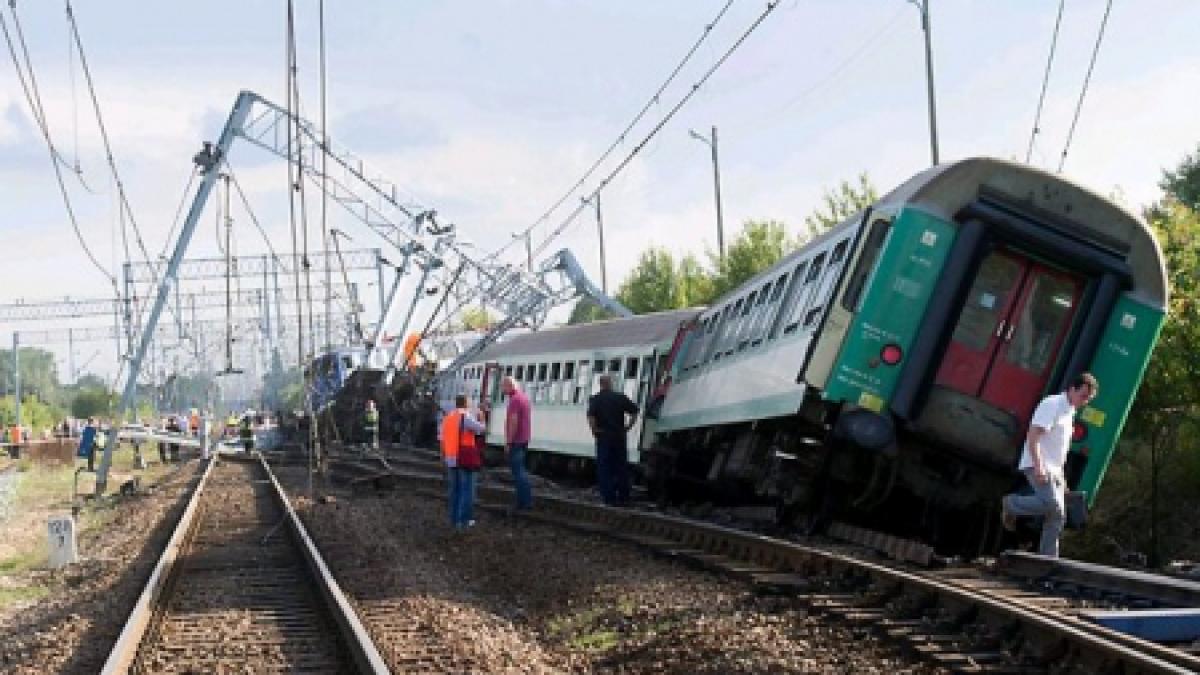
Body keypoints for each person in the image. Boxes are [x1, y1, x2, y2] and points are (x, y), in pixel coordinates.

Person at [1001, 373, 1099, 558]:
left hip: (1054, 470)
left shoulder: (1070, 412)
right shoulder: (1052, 404)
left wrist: (1063, 481)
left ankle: (1048, 560)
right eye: (1083, 396)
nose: (1085, 401)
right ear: (1072, 389)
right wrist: (1038, 466)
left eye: (1088, 399)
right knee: (1051, 504)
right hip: (1037, 464)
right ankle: (1011, 504)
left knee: (1058, 516)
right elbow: (1033, 436)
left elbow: (1058, 451)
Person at [587, 374, 639, 506]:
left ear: (600, 384)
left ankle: (609, 498)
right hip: (619, 436)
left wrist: (594, 430)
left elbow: (591, 417)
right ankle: (624, 498)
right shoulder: (620, 397)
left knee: (604, 467)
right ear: (610, 384)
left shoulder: (596, 399)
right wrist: (628, 426)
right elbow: (634, 412)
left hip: (604, 436)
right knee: (621, 467)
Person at [441, 395, 486, 530]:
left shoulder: (447, 418)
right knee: (467, 490)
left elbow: (442, 439)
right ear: (466, 404)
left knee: (454, 490)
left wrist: (443, 456)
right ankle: (464, 521)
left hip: (450, 458)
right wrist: (482, 417)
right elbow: (481, 429)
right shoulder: (465, 417)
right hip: (464, 459)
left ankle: (454, 520)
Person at [501, 376, 533, 511]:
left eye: (503, 386)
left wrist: (508, 442)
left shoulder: (514, 400)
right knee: (520, 470)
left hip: (516, 440)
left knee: (518, 472)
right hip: (524, 439)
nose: (502, 389)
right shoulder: (524, 398)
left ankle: (523, 502)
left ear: (510, 386)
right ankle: (525, 501)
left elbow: (514, 421)